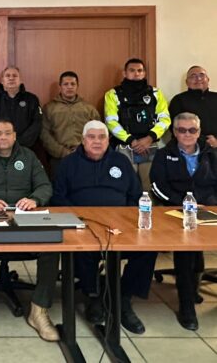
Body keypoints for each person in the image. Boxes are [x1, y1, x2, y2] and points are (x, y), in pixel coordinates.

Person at [53, 120, 157, 334]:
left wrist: (126, 221)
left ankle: (124, 297)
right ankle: (92, 295)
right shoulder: (68, 163)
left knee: (148, 248)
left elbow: (135, 195)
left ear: (108, 140)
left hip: (120, 225)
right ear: (83, 140)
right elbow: (58, 197)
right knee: (82, 247)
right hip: (82, 225)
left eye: (102, 137)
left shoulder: (121, 161)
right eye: (91, 137)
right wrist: (78, 219)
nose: (97, 141)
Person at [0, 119, 60, 341]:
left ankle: (39, 311)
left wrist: (35, 199)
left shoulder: (29, 156)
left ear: (15, 136)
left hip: (25, 217)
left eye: (8, 133)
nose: (3, 137)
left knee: (51, 249)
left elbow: (45, 186)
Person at [150, 112, 217, 330]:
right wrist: (183, 204)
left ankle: (194, 287)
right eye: (182, 130)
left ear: (199, 132)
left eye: (192, 130)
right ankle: (187, 306)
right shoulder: (163, 155)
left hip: (209, 210)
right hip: (175, 210)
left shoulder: (211, 154)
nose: (187, 134)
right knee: (186, 249)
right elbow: (157, 186)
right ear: (174, 132)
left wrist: (210, 206)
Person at [104, 58, 171, 190]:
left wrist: (149, 138)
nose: (136, 73)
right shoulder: (113, 94)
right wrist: (131, 141)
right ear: (125, 73)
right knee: (126, 185)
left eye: (140, 70)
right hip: (125, 146)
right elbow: (111, 122)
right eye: (132, 70)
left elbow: (165, 119)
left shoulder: (155, 93)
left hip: (150, 145)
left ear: (144, 73)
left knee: (150, 186)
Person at [40, 71, 100, 180]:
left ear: (77, 86)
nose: (69, 87)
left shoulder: (88, 108)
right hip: (59, 157)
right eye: (66, 84)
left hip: (85, 156)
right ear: (60, 86)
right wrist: (63, 152)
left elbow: (98, 132)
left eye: (73, 84)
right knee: (59, 188)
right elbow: (44, 134)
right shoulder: (49, 108)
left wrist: (84, 149)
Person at [0, 66, 43, 149]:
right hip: (0, 147)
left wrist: (20, 142)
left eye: (15, 76)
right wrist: (4, 141)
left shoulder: (32, 99)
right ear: (2, 81)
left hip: (25, 147)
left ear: (20, 80)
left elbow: (37, 123)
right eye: (7, 76)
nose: (11, 78)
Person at [169, 66, 217, 148]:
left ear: (208, 79)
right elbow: (174, 127)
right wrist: (203, 141)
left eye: (202, 75)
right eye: (193, 76)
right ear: (187, 82)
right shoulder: (178, 100)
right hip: (187, 147)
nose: (198, 79)